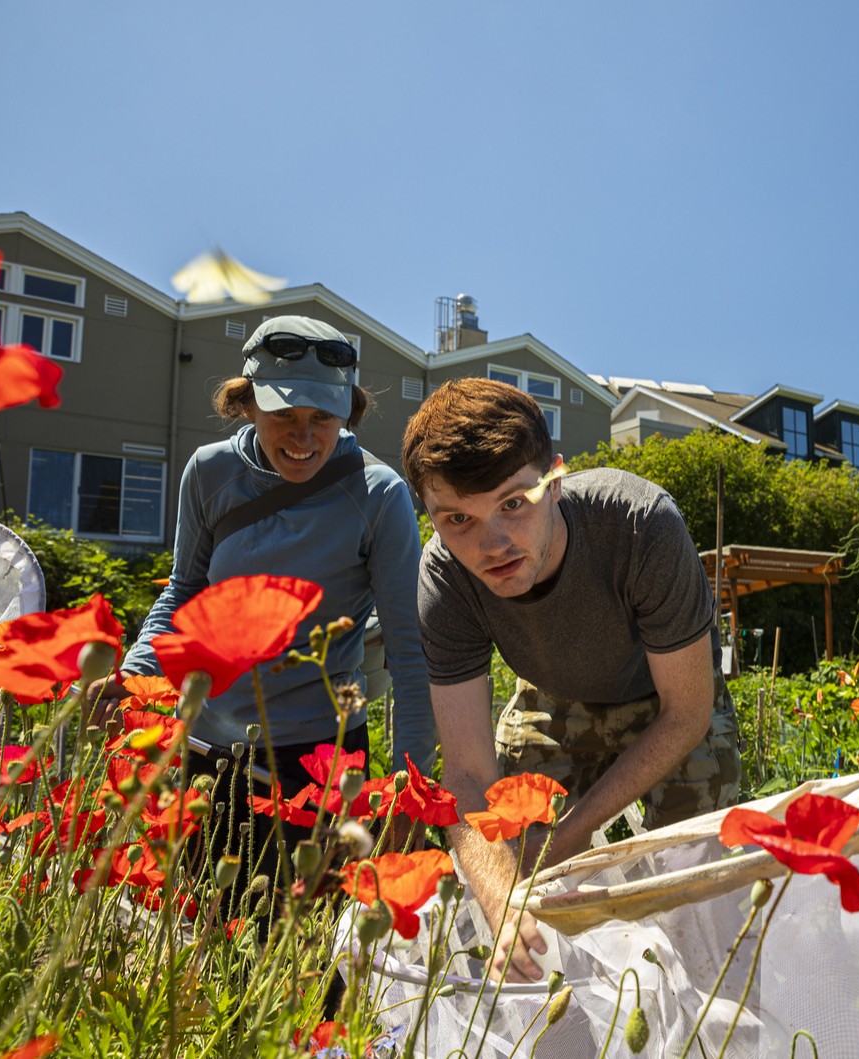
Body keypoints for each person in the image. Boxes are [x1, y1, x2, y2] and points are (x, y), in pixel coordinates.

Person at [401, 377, 741, 980]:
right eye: (458, 519)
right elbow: (467, 774)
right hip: (552, 697)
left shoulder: (640, 525)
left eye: (514, 503)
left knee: (694, 881)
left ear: (555, 481)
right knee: (502, 860)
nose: (492, 544)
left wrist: (568, 837)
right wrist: (506, 901)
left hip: (662, 699)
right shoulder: (444, 580)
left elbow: (687, 712)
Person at [89, 315, 436, 881]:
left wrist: (408, 787)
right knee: (200, 939)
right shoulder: (210, 474)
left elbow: (410, 652)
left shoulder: (380, 495)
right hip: (203, 748)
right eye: (283, 415)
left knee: (303, 948)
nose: (303, 438)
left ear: (347, 411)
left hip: (319, 760)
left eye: (322, 417)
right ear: (247, 404)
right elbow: (185, 591)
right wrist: (133, 676)